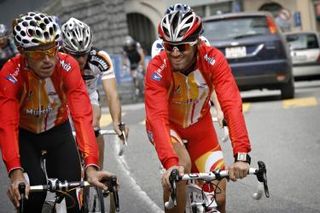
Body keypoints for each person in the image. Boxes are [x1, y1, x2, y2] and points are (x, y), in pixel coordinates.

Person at [0, 12, 115, 212]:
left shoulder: (67, 65)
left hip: (58, 132)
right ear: (22, 52)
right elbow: (7, 125)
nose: (47, 60)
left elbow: (81, 118)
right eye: (37, 53)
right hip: (25, 137)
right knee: (33, 196)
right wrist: (15, 172)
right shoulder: (10, 73)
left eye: (51, 50)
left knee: (72, 195)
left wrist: (91, 166)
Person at [145, 5, 251, 213]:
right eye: (169, 46)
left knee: (219, 197)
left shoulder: (213, 59)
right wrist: (170, 162)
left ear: (196, 43)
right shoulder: (157, 67)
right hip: (169, 129)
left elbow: (231, 103)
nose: (175, 53)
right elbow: (156, 117)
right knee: (180, 166)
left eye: (182, 47)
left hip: (200, 129)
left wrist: (241, 155)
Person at [61, 17, 128, 168]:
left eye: (84, 54)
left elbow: (112, 95)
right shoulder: (56, 59)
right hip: (63, 98)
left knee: (94, 124)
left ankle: (98, 170)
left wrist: (117, 121)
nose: (81, 60)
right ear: (64, 50)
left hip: (88, 95)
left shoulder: (100, 58)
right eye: (75, 55)